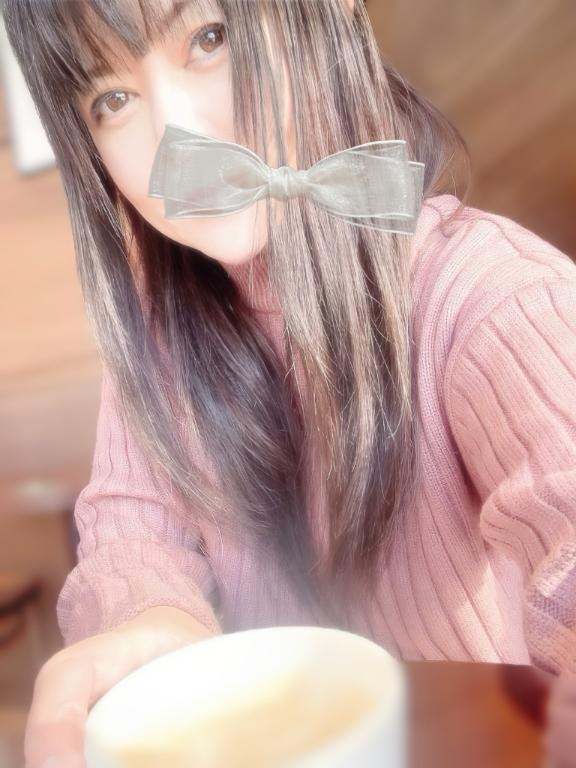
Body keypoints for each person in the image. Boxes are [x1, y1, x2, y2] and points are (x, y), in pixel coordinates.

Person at [3, 1, 576, 767]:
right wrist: (149, 618)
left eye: (209, 39)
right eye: (112, 99)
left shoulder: (488, 295)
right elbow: (131, 535)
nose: (178, 136)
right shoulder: (155, 347)